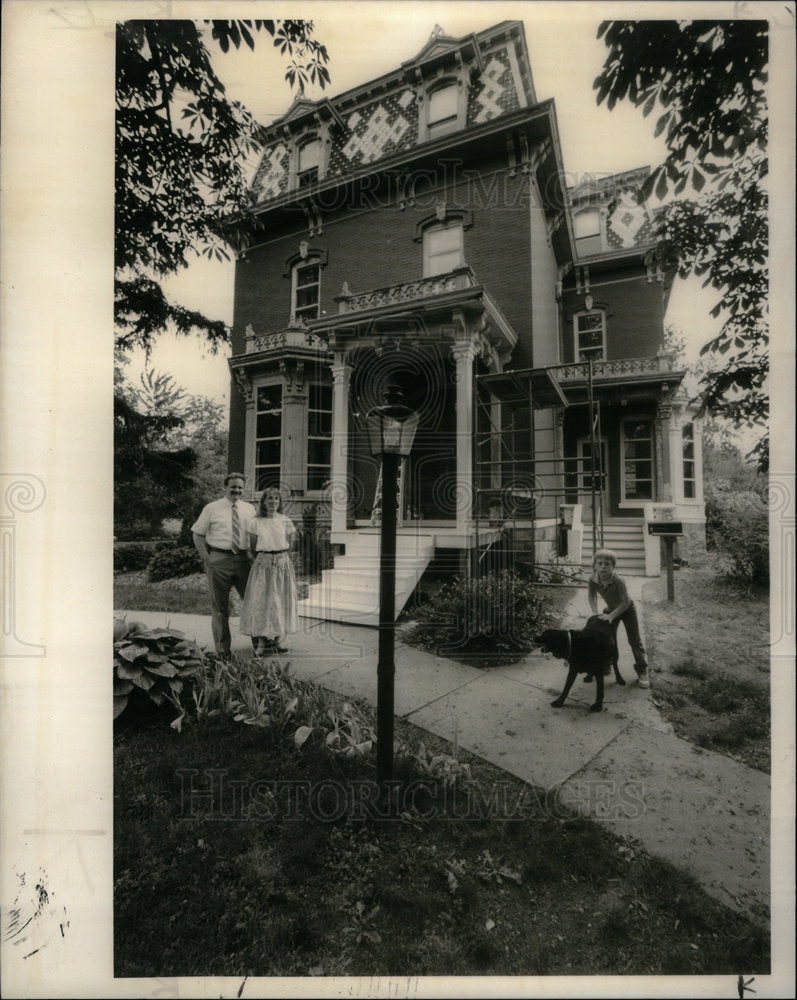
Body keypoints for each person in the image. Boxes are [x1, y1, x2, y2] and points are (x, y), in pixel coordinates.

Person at [192, 472, 256, 656]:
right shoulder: (212, 508)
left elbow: (253, 534)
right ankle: (223, 650)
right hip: (219, 559)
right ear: (225, 487)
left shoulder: (249, 509)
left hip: (244, 561)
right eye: (233, 486)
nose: (236, 490)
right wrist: (206, 557)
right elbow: (197, 533)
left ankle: (260, 644)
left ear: (244, 489)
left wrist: (253, 555)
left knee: (253, 603)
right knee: (220, 607)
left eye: (240, 487)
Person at [239, 487, 298, 655]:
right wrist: (258, 560)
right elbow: (251, 546)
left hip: (282, 565)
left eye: (276, 499)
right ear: (263, 501)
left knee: (281, 601)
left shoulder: (285, 520)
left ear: (279, 502)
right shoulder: (255, 522)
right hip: (263, 565)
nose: (272, 501)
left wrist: (281, 558)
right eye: (269, 498)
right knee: (262, 603)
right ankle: (261, 643)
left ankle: (278, 640)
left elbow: (290, 544)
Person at [588, 548, 650, 688]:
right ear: (595, 565)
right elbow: (591, 596)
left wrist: (611, 616)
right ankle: (608, 663)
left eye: (607, 564)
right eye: (600, 563)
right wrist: (595, 612)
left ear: (613, 567)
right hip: (610, 610)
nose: (603, 566)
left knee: (634, 640)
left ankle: (642, 669)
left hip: (627, 609)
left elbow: (625, 602)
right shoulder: (592, 580)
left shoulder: (618, 581)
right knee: (608, 638)